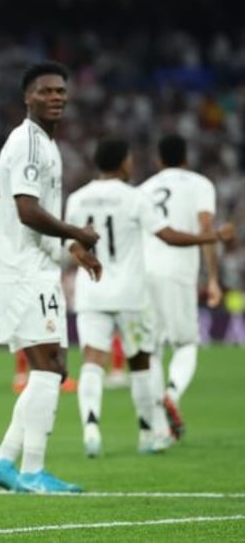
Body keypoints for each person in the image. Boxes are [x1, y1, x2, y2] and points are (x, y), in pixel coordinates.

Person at [65, 138, 234, 457]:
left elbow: (70, 243)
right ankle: (147, 434)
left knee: (92, 359)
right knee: (141, 361)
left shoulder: (77, 198)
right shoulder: (134, 197)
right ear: (123, 163)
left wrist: (81, 254)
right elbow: (168, 236)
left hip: (91, 292)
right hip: (130, 294)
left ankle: (91, 428)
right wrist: (212, 235)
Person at [0, 61, 102, 494]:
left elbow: (39, 216)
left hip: (37, 267)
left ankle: (3, 462)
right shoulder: (28, 143)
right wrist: (77, 232)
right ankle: (31, 471)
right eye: (46, 91)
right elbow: (27, 210)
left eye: (61, 91)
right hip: (21, 270)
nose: (56, 98)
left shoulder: (48, 145)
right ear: (27, 97)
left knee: (54, 367)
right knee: (48, 367)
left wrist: (72, 249)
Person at [140, 134, 225, 440]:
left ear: (158, 160)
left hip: (144, 272)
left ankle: (158, 426)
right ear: (186, 158)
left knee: (151, 350)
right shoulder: (201, 185)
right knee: (186, 344)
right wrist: (212, 278)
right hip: (177, 272)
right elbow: (206, 229)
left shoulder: (144, 189)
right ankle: (172, 394)